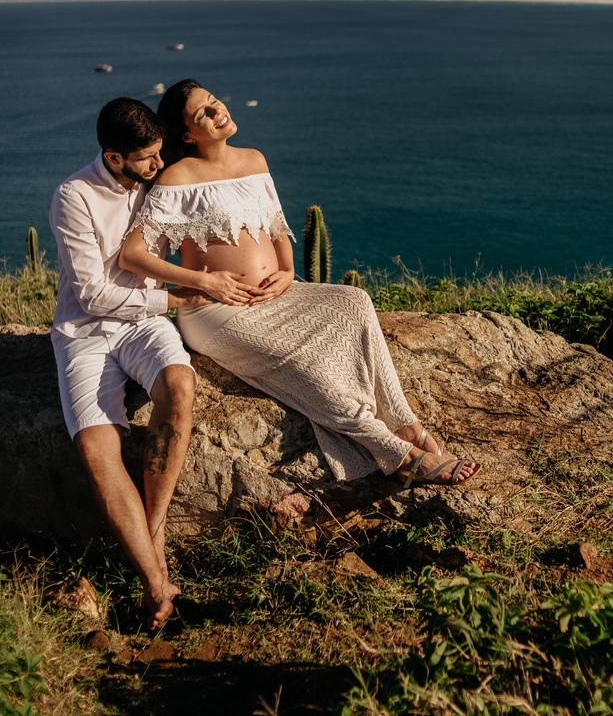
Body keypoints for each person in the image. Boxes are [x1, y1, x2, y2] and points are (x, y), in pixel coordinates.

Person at [118, 79, 480, 492]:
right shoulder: (176, 177)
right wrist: (202, 282)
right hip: (215, 310)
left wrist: (288, 271)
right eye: (204, 113)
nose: (219, 112)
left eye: (215, 102)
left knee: (355, 299)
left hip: (276, 294)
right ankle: (401, 454)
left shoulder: (253, 160)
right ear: (186, 133)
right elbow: (134, 254)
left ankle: (406, 426)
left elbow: (275, 225)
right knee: (309, 365)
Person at [49, 97, 257, 628]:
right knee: (98, 448)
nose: (155, 165)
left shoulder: (158, 182)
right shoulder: (75, 196)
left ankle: (155, 530)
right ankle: (155, 580)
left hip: (143, 324)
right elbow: (93, 296)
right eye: (143, 158)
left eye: (160, 152)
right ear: (113, 156)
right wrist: (175, 299)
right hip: (86, 333)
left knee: (180, 386)